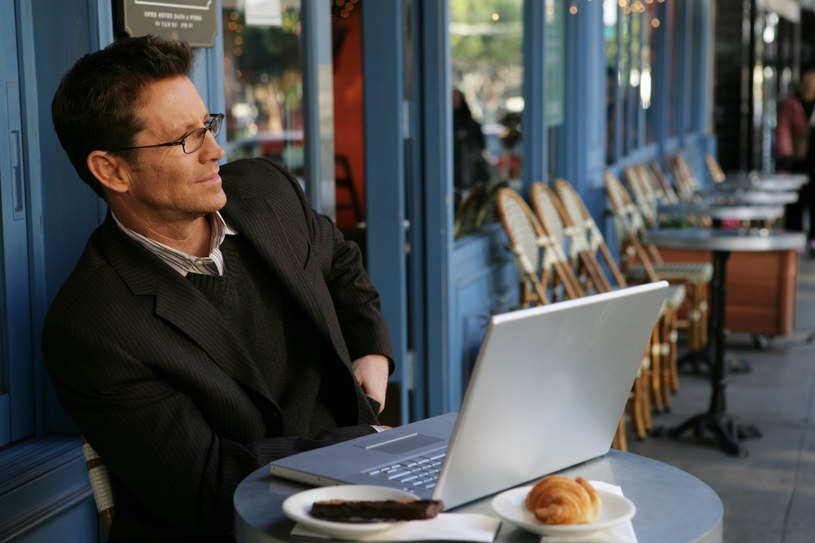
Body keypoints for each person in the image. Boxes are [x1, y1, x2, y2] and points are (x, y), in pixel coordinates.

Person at [44, 35, 393, 542]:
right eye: (186, 139)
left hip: (364, 493)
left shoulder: (265, 191)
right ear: (112, 170)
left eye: (207, 124)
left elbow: (338, 258)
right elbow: (209, 486)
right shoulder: (92, 328)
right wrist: (364, 443)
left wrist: (370, 347)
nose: (216, 150)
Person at [775, 64, 815, 246]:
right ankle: (792, 239)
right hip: (798, 159)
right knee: (796, 201)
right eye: (808, 78)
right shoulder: (790, 104)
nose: (811, 82)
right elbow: (783, 131)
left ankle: (813, 240)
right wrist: (785, 156)